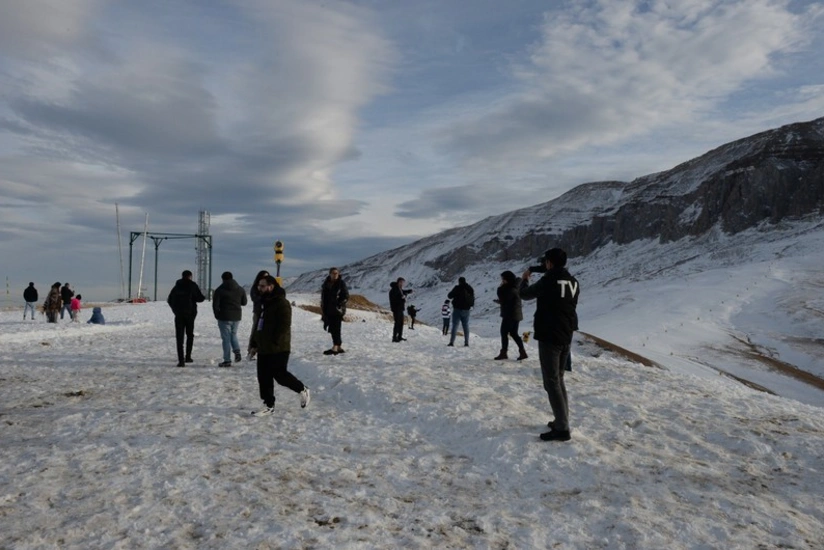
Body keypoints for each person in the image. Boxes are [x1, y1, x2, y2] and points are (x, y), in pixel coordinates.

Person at [520, 248, 580, 442]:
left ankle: (562, 428)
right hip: (566, 333)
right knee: (559, 379)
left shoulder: (548, 280)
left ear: (550, 263)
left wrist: (524, 279)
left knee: (551, 382)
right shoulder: (573, 281)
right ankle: (562, 420)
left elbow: (524, 294)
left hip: (549, 334)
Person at [248, 275, 310, 416]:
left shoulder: (282, 303)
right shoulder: (263, 302)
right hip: (264, 346)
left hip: (278, 347)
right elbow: (259, 324)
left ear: (271, 286)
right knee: (263, 377)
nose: (259, 288)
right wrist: (254, 343)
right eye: (258, 286)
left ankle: (302, 389)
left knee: (280, 376)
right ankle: (268, 405)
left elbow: (284, 325)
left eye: (262, 286)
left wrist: (274, 340)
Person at [167, 270, 206, 367]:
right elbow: (200, 298)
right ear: (190, 276)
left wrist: (175, 310)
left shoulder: (176, 286)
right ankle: (188, 356)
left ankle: (181, 360)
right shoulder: (192, 286)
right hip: (190, 314)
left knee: (179, 337)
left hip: (179, 315)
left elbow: (170, 299)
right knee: (190, 335)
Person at [212, 271, 248, 367]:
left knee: (226, 339)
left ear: (222, 279)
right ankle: (237, 352)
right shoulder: (240, 289)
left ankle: (227, 360)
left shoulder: (219, 290)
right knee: (233, 334)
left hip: (224, 317)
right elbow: (244, 302)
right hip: (236, 316)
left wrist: (217, 315)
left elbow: (215, 305)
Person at [494, 271, 528, 361]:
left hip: (510, 315)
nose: (502, 281)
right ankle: (522, 352)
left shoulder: (510, 289)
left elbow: (504, 299)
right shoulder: (515, 287)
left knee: (504, 332)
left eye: (503, 279)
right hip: (516, 314)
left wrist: (500, 288)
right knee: (514, 333)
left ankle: (504, 353)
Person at [320, 267, 349, 355]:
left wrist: (339, 303)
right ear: (330, 274)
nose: (335, 274)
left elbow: (346, 295)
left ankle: (335, 346)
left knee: (335, 328)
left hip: (337, 310)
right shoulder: (326, 283)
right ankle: (338, 346)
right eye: (333, 273)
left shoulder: (341, 283)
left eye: (336, 273)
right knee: (332, 328)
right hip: (328, 310)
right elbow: (324, 296)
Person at [247, 270, 271, 358]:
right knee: (255, 331)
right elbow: (255, 298)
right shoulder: (255, 288)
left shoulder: (268, 287)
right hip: (258, 312)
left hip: (267, 312)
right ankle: (251, 350)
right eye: (263, 277)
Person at [447, 277, 474, 347]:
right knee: (466, 326)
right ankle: (466, 342)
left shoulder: (457, 288)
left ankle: (451, 342)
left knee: (455, 325)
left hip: (457, 309)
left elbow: (449, 296)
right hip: (467, 310)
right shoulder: (470, 288)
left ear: (459, 282)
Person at [388, 277, 412, 342]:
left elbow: (402, 292)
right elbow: (396, 298)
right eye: (401, 282)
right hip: (396, 308)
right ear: (398, 282)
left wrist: (408, 291)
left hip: (400, 308)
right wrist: (403, 298)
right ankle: (394, 337)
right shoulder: (394, 290)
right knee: (397, 323)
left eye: (403, 282)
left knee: (401, 323)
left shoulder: (399, 289)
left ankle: (399, 336)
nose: (402, 284)